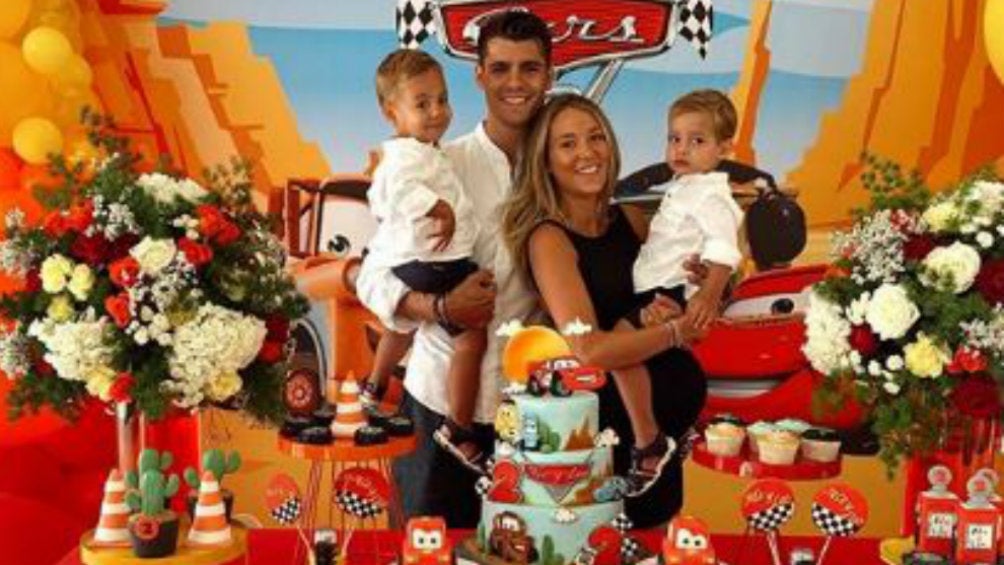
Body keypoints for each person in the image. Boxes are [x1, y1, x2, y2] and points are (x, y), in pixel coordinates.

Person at [355, 10, 554, 527]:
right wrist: (440, 307)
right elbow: (373, 273)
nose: (515, 83)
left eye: (530, 68)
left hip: (531, 410)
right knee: (425, 550)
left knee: (526, 552)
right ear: (480, 75)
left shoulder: (568, 170)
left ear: (549, 76)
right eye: (501, 68)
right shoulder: (439, 163)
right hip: (435, 402)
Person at [501, 93, 708, 527]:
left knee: (665, 549)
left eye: (595, 137)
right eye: (568, 143)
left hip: (661, 454)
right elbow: (590, 349)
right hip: (607, 452)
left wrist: (695, 290)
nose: (587, 152)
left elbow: (676, 299)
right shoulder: (549, 239)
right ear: (545, 162)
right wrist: (672, 333)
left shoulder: (632, 219)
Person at [364, 49, 488, 472]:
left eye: (442, 99)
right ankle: (458, 426)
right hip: (437, 263)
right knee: (471, 339)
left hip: (426, 261)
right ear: (391, 112)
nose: (437, 111)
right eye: (422, 104)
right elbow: (394, 192)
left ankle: (374, 385)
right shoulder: (406, 155)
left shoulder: (428, 150)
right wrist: (438, 207)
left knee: (400, 325)